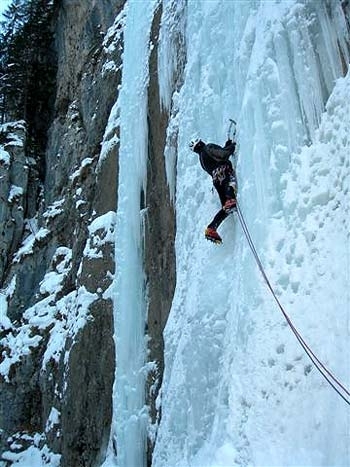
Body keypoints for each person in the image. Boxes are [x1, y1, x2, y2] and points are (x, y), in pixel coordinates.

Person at [190, 137, 237, 244]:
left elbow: (216, 157)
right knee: (230, 186)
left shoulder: (202, 160)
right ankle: (230, 199)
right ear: (200, 143)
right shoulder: (208, 148)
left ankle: (212, 227)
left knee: (227, 207)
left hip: (216, 180)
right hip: (223, 171)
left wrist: (226, 146)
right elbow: (222, 155)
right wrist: (231, 147)